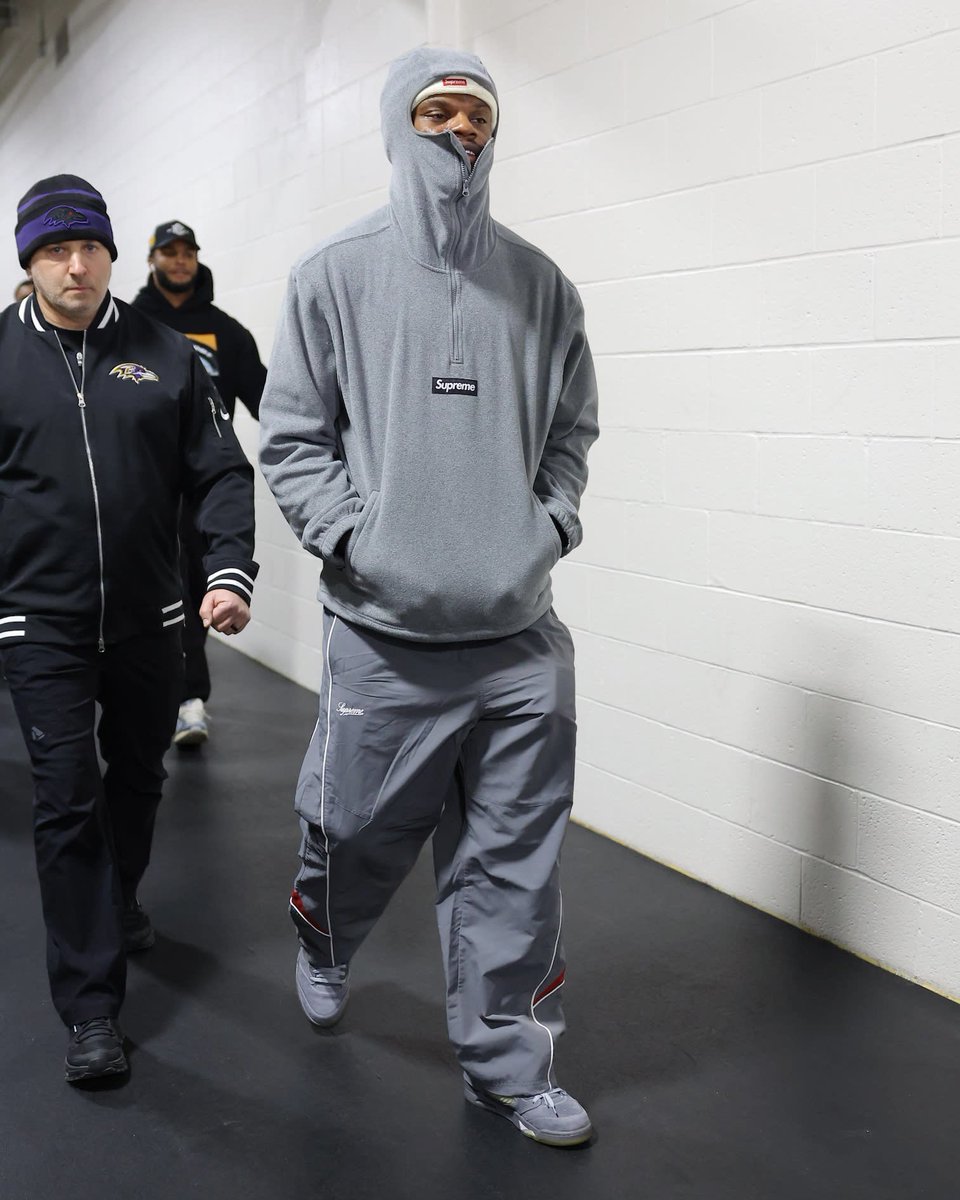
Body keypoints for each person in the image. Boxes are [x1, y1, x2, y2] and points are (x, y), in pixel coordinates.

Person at [259, 48, 599, 1148]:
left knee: (516, 867)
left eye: (476, 113)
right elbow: (296, 441)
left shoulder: (542, 286)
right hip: (384, 637)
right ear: (398, 124)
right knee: (350, 832)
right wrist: (360, 541)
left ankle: (508, 1062)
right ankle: (323, 937)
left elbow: (571, 436)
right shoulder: (333, 276)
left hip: (518, 642)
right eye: (435, 109)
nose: (459, 130)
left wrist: (546, 528)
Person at [0, 175, 258, 1083]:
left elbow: (222, 472)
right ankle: (91, 1008)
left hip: (152, 617)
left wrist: (227, 570)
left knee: (139, 779)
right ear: (28, 263)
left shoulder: (166, 353)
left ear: (113, 254)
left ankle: (118, 899)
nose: (76, 267)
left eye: (90, 249)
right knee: (68, 799)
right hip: (39, 624)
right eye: (54, 253)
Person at [133, 221, 266, 748]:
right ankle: (138, 700)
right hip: (138, 486)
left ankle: (190, 700)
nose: (181, 259)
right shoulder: (130, 324)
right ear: (152, 259)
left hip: (202, 488)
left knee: (195, 593)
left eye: (188, 251)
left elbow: (269, 403)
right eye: (170, 251)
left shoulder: (224, 332)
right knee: (137, 593)